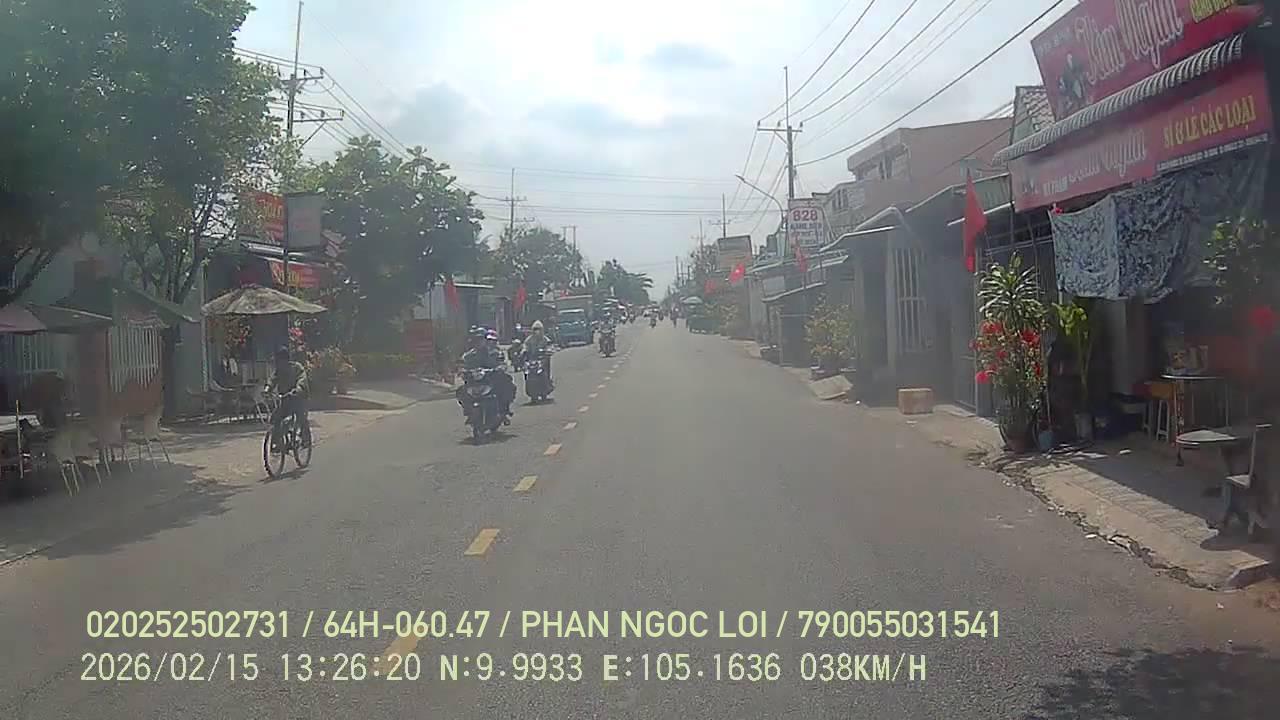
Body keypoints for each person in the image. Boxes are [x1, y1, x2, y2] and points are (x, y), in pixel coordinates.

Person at [267, 346, 309, 452]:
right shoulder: (279, 370)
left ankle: (305, 439)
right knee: (276, 418)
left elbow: (302, 378)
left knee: (301, 416)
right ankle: (277, 442)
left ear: (286, 359)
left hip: (298, 399)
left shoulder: (297, 367)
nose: (279, 363)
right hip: (285, 399)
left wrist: (298, 389)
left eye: (280, 360)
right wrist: (267, 389)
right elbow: (272, 379)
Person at [524, 320, 552, 385]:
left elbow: (549, 346)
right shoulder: (529, 339)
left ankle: (548, 380)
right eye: (535, 329)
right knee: (526, 369)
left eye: (539, 329)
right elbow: (525, 346)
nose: (537, 331)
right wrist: (524, 351)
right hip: (531, 358)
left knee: (546, 366)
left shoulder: (545, 339)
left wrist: (548, 351)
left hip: (542, 358)